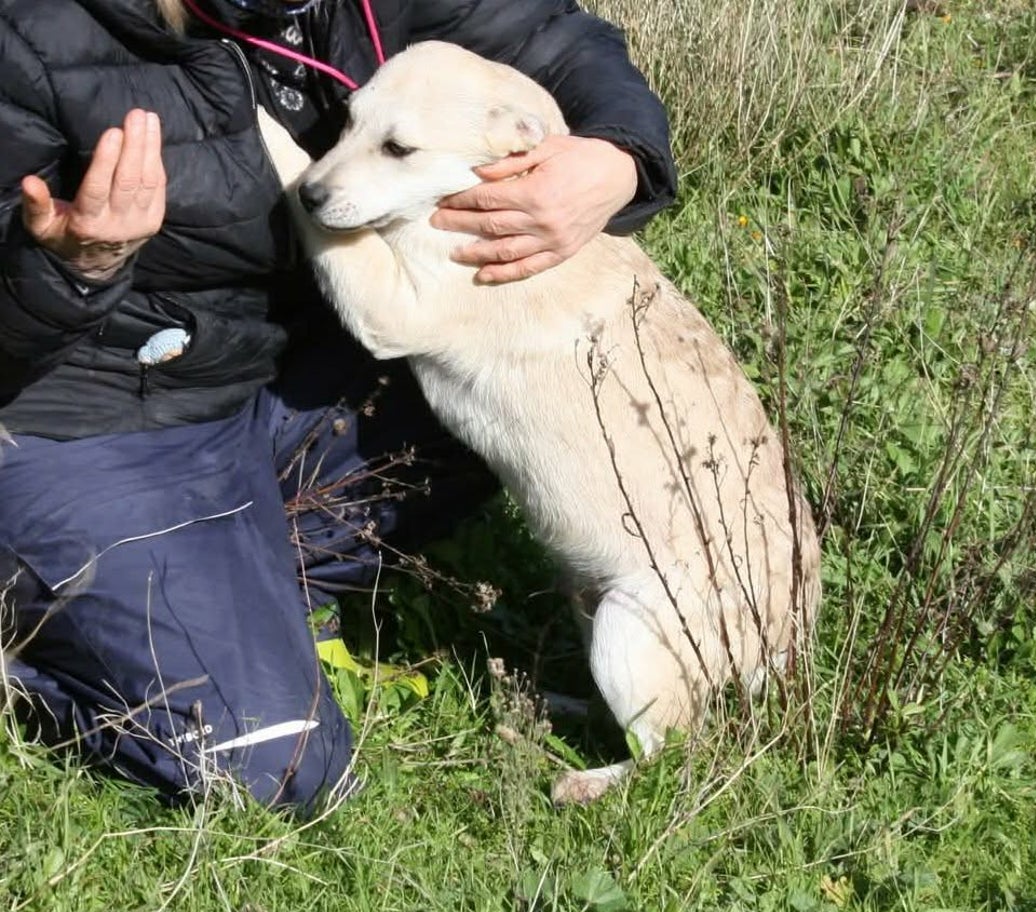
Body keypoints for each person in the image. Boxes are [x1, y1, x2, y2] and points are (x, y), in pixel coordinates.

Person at [0, 0, 677, 812]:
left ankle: (224, 591)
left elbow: (552, 39)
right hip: (93, 409)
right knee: (273, 763)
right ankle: (56, 616)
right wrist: (76, 269)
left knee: (511, 362)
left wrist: (615, 160)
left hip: (266, 366)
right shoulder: (29, 29)